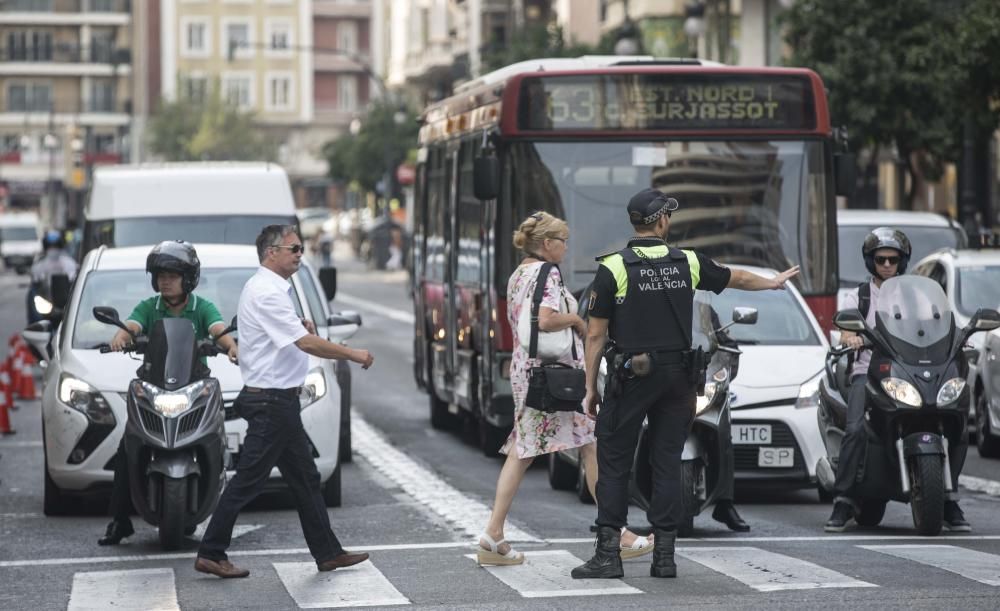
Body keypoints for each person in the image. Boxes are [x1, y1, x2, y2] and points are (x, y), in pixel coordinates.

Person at [572, 188, 799, 580]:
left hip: (631, 377)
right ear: (661, 222)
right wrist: (773, 282)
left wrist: (591, 387)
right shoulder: (688, 262)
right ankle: (664, 557)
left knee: (613, 463)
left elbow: (595, 335)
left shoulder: (614, 268)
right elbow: (735, 277)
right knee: (666, 462)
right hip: (679, 378)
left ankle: (608, 554)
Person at [194, 224, 375, 579]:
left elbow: (284, 335)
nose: (299, 254)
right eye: (293, 249)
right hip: (272, 403)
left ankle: (328, 552)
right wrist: (352, 353)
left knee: (306, 478)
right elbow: (305, 345)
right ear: (270, 252)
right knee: (248, 480)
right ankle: (211, 552)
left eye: (300, 248)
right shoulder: (267, 291)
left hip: (279, 401)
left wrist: (299, 324)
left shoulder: (272, 288)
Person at [477, 212, 653, 567]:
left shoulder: (518, 274)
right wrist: (576, 320)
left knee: (538, 449)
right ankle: (615, 534)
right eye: (562, 240)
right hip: (554, 376)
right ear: (547, 244)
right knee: (577, 448)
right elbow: (545, 320)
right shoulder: (548, 273)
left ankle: (494, 535)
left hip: (529, 372)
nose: (566, 247)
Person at [825, 227, 970, 532]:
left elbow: (937, 322)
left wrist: (957, 340)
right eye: (881, 259)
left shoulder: (917, 295)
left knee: (957, 419)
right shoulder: (859, 296)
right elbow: (846, 328)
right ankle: (845, 499)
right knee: (854, 429)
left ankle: (947, 497)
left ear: (903, 262)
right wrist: (851, 337)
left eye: (894, 259)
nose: (888, 265)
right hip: (869, 372)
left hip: (913, 370)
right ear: (871, 262)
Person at [99, 240, 239, 545]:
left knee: (216, 436)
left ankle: (215, 482)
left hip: (194, 383)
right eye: (161, 274)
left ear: (188, 278)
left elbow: (217, 329)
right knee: (127, 448)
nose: (165, 279)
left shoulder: (202, 307)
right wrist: (121, 338)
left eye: (173, 274)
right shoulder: (150, 306)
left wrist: (230, 348)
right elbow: (130, 326)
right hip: (155, 383)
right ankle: (119, 521)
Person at [28, 230, 78, 323]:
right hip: (47, 298)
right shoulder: (39, 264)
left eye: (55, 246)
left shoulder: (69, 263)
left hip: (66, 298)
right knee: (31, 294)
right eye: (50, 246)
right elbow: (35, 281)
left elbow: (73, 278)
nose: (53, 249)